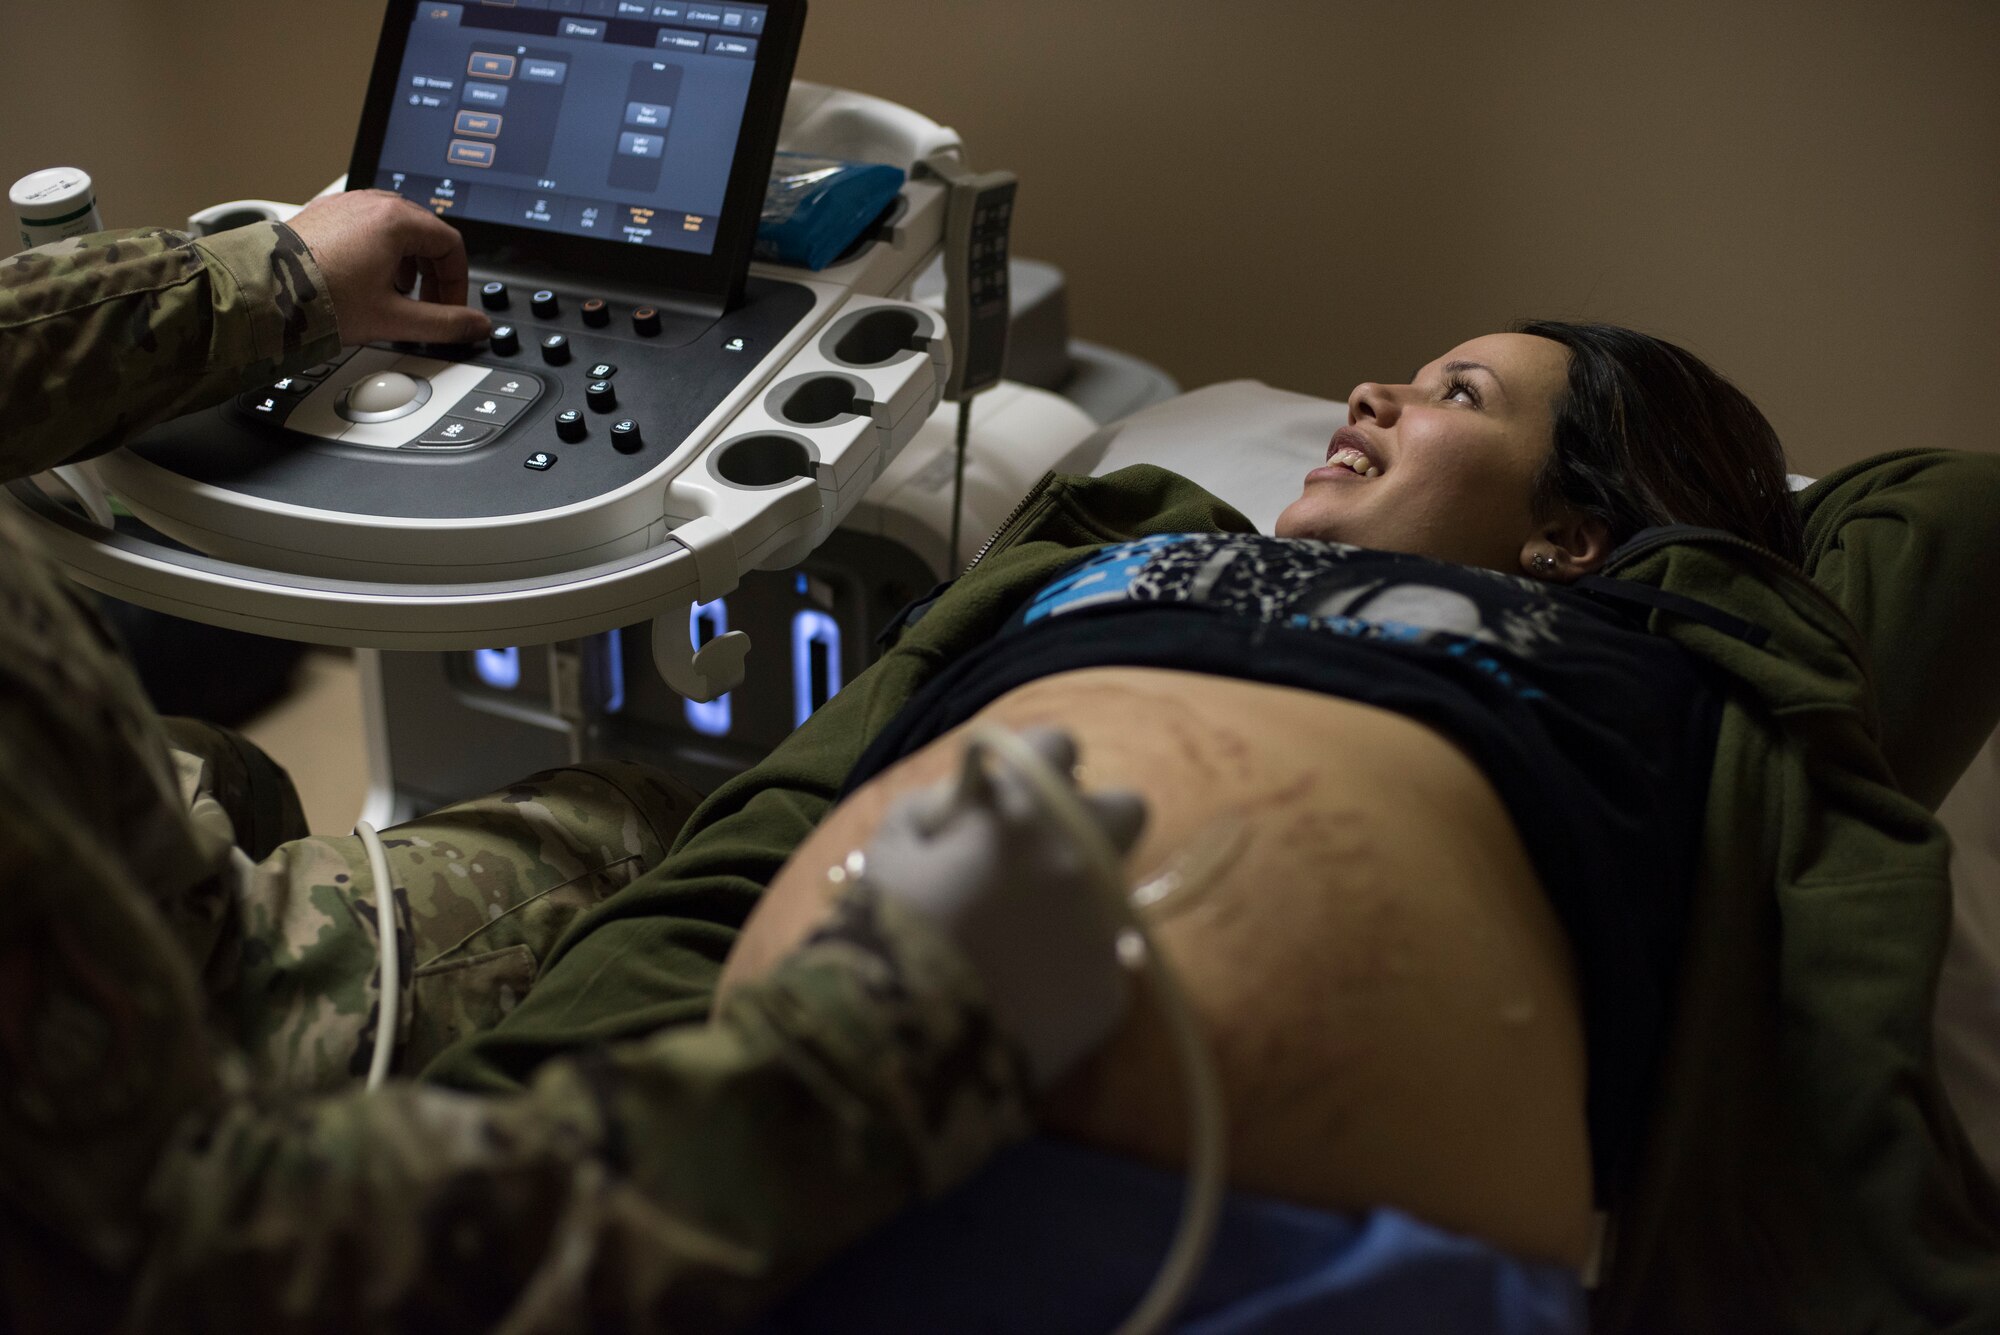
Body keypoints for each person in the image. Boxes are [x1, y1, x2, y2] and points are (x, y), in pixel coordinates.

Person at [0, 192, 1147, 1333]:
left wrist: (269, 280)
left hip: (124, 854)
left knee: (239, 783)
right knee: (631, 824)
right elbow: (184, 1257)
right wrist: (876, 1048)